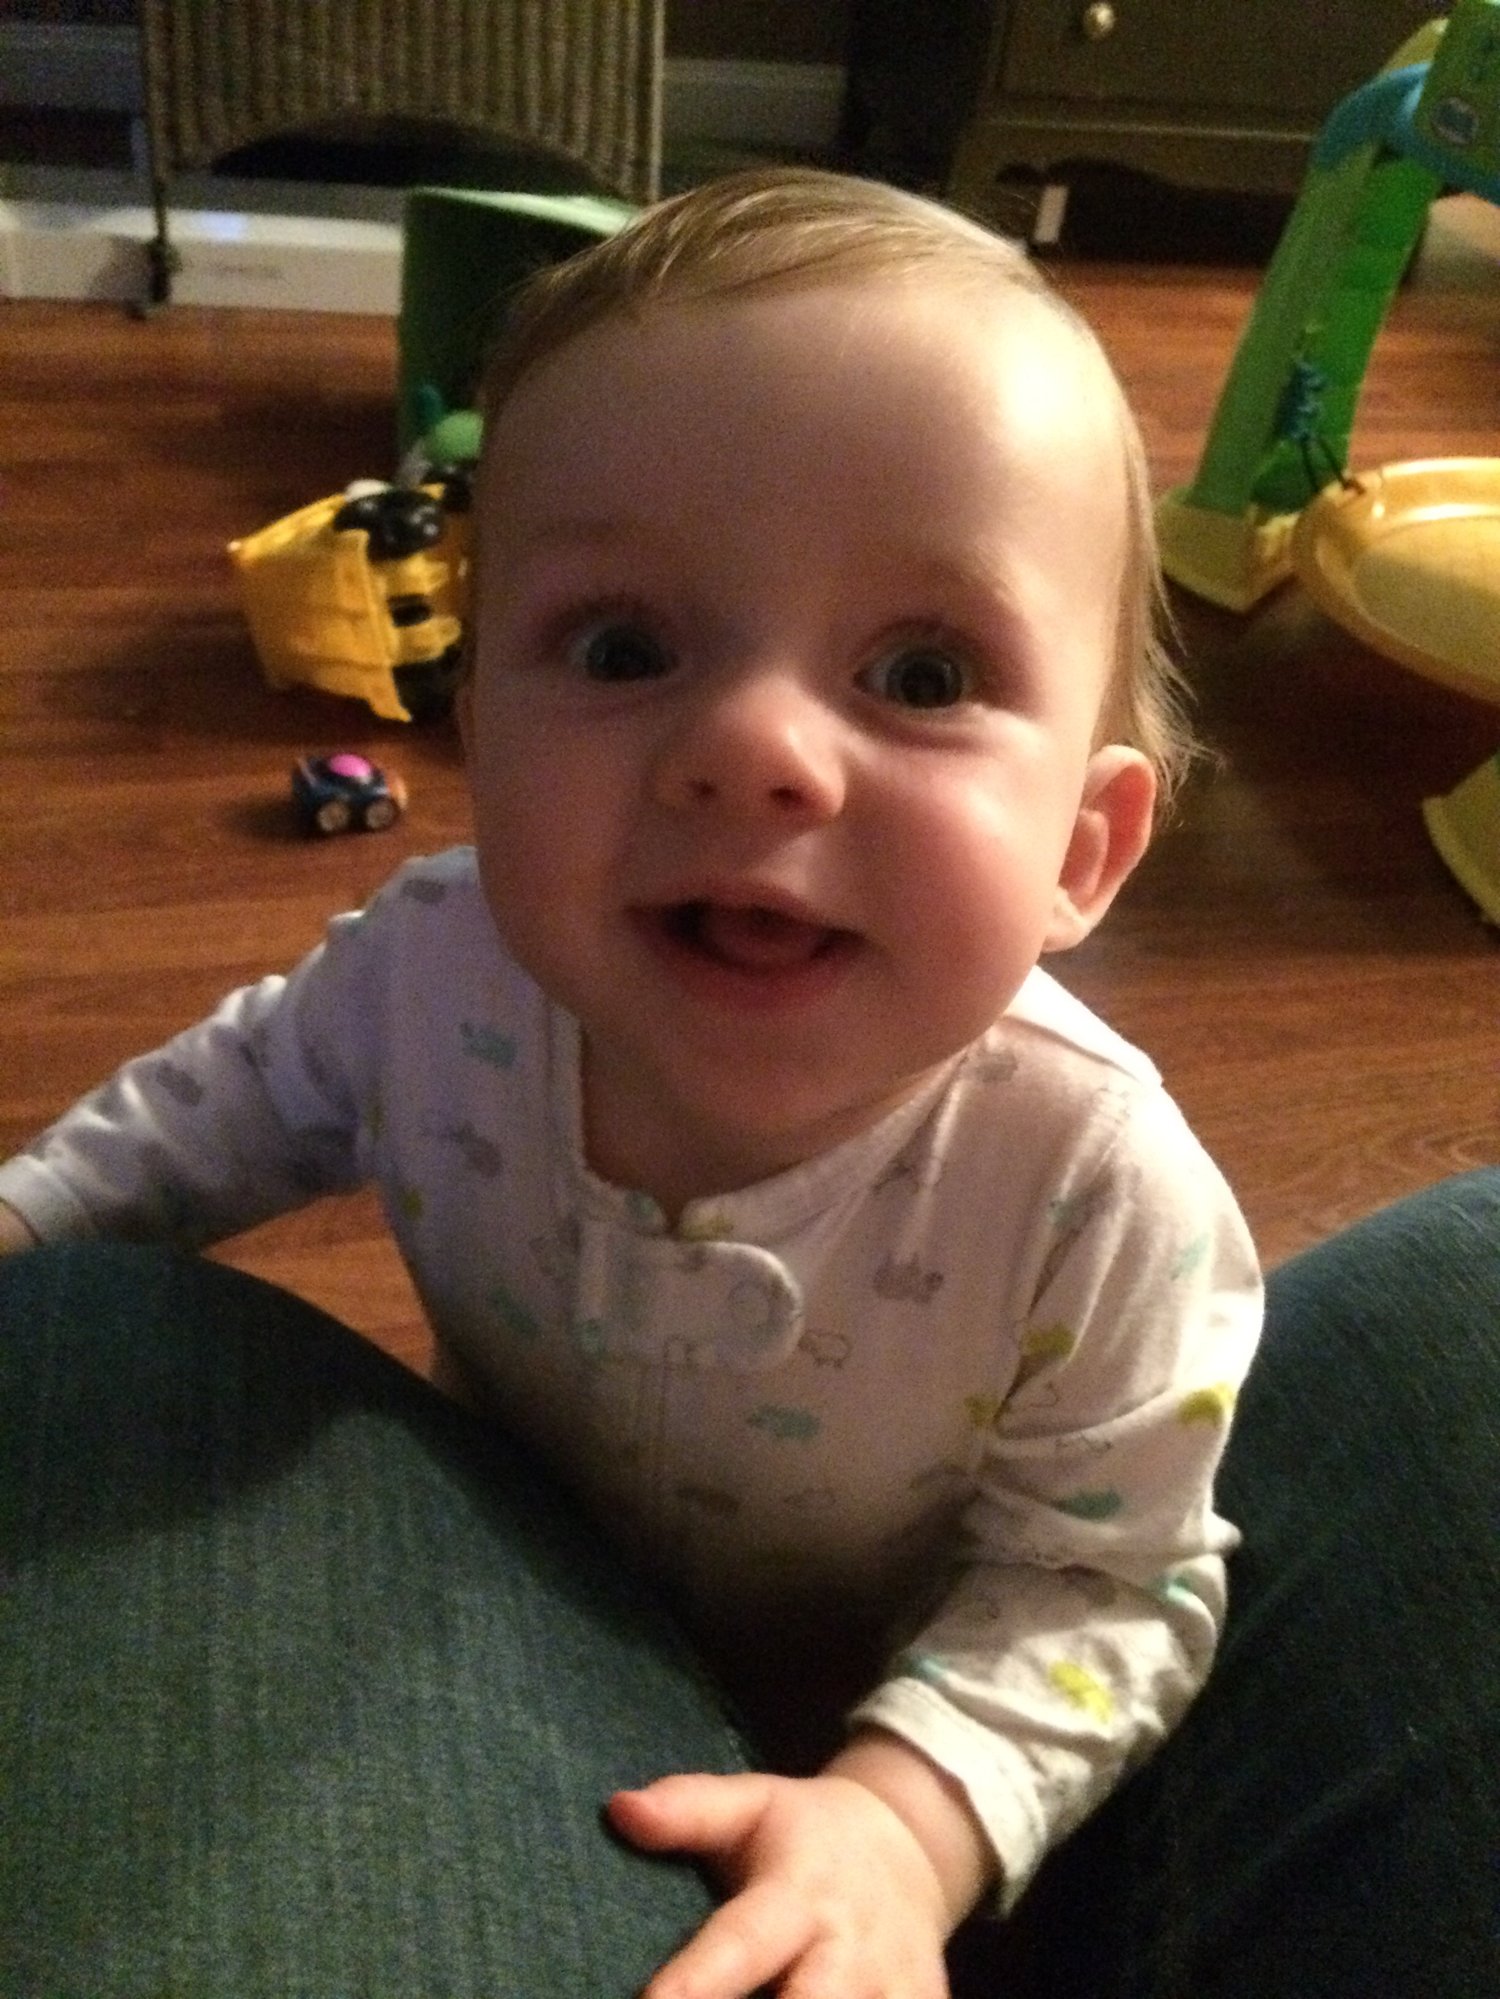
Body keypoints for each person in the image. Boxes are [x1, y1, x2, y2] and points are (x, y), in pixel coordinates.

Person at [0, 168, 1265, 1997]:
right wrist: (31, 1219)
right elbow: (227, 1103)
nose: (750, 748)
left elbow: (1109, 1582)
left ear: (1085, 848)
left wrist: (909, 1822)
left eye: (921, 672)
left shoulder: (1095, 1188)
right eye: (622, 649)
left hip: (882, 1739)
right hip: (482, 1602)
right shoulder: (439, 972)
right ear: (473, 729)